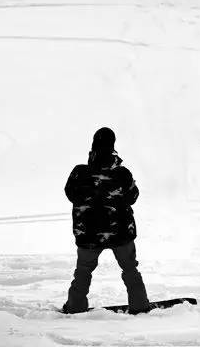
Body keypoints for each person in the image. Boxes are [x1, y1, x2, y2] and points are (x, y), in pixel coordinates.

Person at [63, 127, 150, 314]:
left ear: (93, 145)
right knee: (130, 269)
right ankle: (140, 306)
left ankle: (75, 307)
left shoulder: (79, 173)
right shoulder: (122, 174)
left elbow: (70, 194)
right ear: (113, 147)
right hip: (121, 234)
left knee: (83, 271)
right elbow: (133, 196)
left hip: (88, 234)